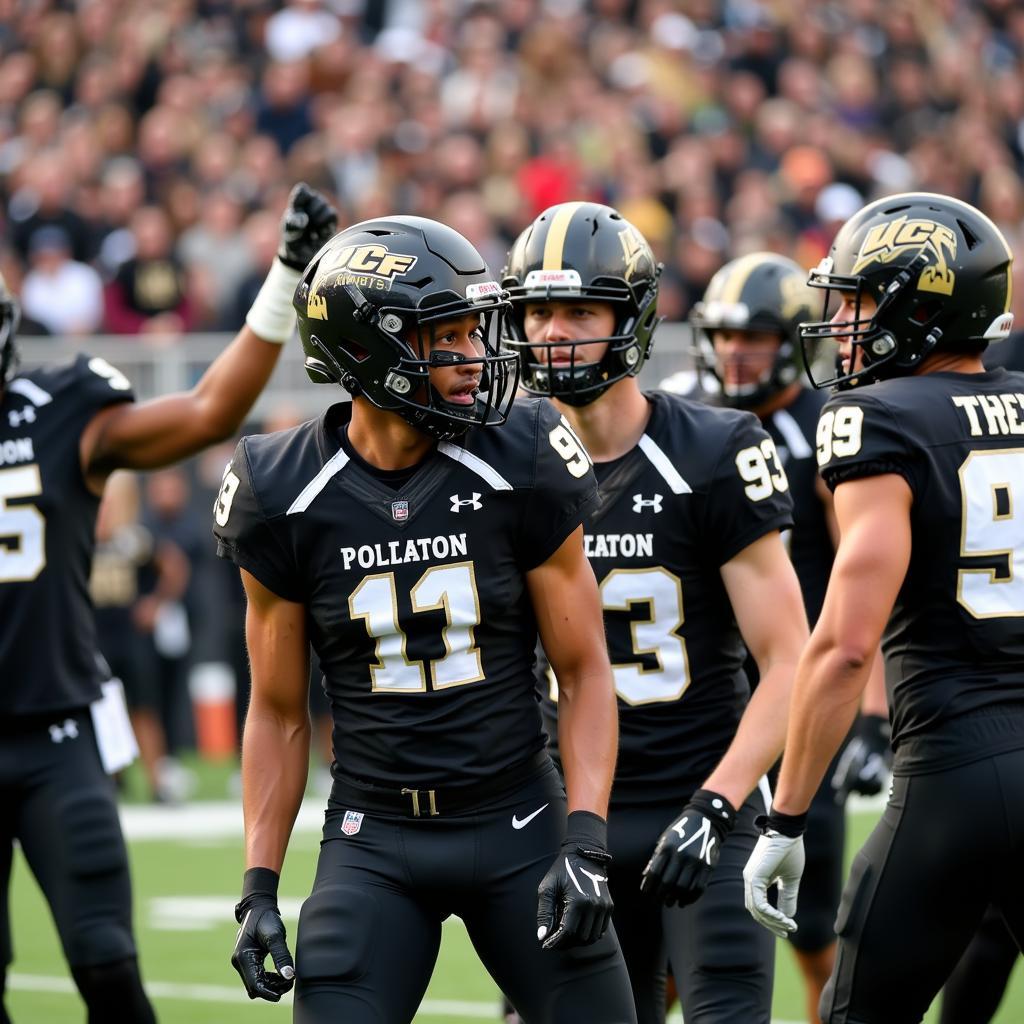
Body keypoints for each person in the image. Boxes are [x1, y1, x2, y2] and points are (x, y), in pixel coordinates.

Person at [213, 215, 638, 1024]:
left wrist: (584, 842)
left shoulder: (526, 454)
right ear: (373, 352)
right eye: (446, 337)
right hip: (374, 836)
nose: (475, 358)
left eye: (474, 332)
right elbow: (276, 708)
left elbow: (584, 671)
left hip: (521, 818)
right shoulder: (280, 489)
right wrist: (257, 886)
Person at [0, 182, 337, 1024]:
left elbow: (209, 410)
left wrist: (285, 272)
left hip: (56, 735)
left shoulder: (56, 412)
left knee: (108, 964)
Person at [502, 201, 809, 1024]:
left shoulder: (712, 449)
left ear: (629, 318)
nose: (551, 332)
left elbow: (790, 659)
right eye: (535, 310)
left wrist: (718, 804)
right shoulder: (502, 458)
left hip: (701, 795)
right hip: (571, 818)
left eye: (578, 310)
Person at [743, 192, 1024, 1024]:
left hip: (955, 770)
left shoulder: (878, 417)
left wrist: (787, 815)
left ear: (925, 312)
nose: (846, 323)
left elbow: (844, 647)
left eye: (862, 301)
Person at [682, 251, 890, 1024]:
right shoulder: (681, 418)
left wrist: (870, 717)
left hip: (802, 698)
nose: (737, 353)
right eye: (726, 335)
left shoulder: (831, 426)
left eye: (758, 338)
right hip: (701, 691)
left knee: (810, 926)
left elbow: (861, 585)